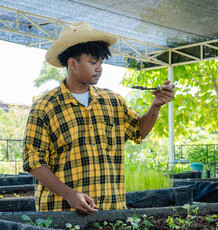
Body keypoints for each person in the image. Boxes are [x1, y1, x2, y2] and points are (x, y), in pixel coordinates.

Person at [22, 22, 175, 215]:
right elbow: (33, 161)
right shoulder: (46, 106)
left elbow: (138, 132)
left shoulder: (112, 101)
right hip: (62, 213)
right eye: (93, 63)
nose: (100, 68)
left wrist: (156, 105)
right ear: (72, 63)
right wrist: (69, 194)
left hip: (111, 211)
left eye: (101, 62)